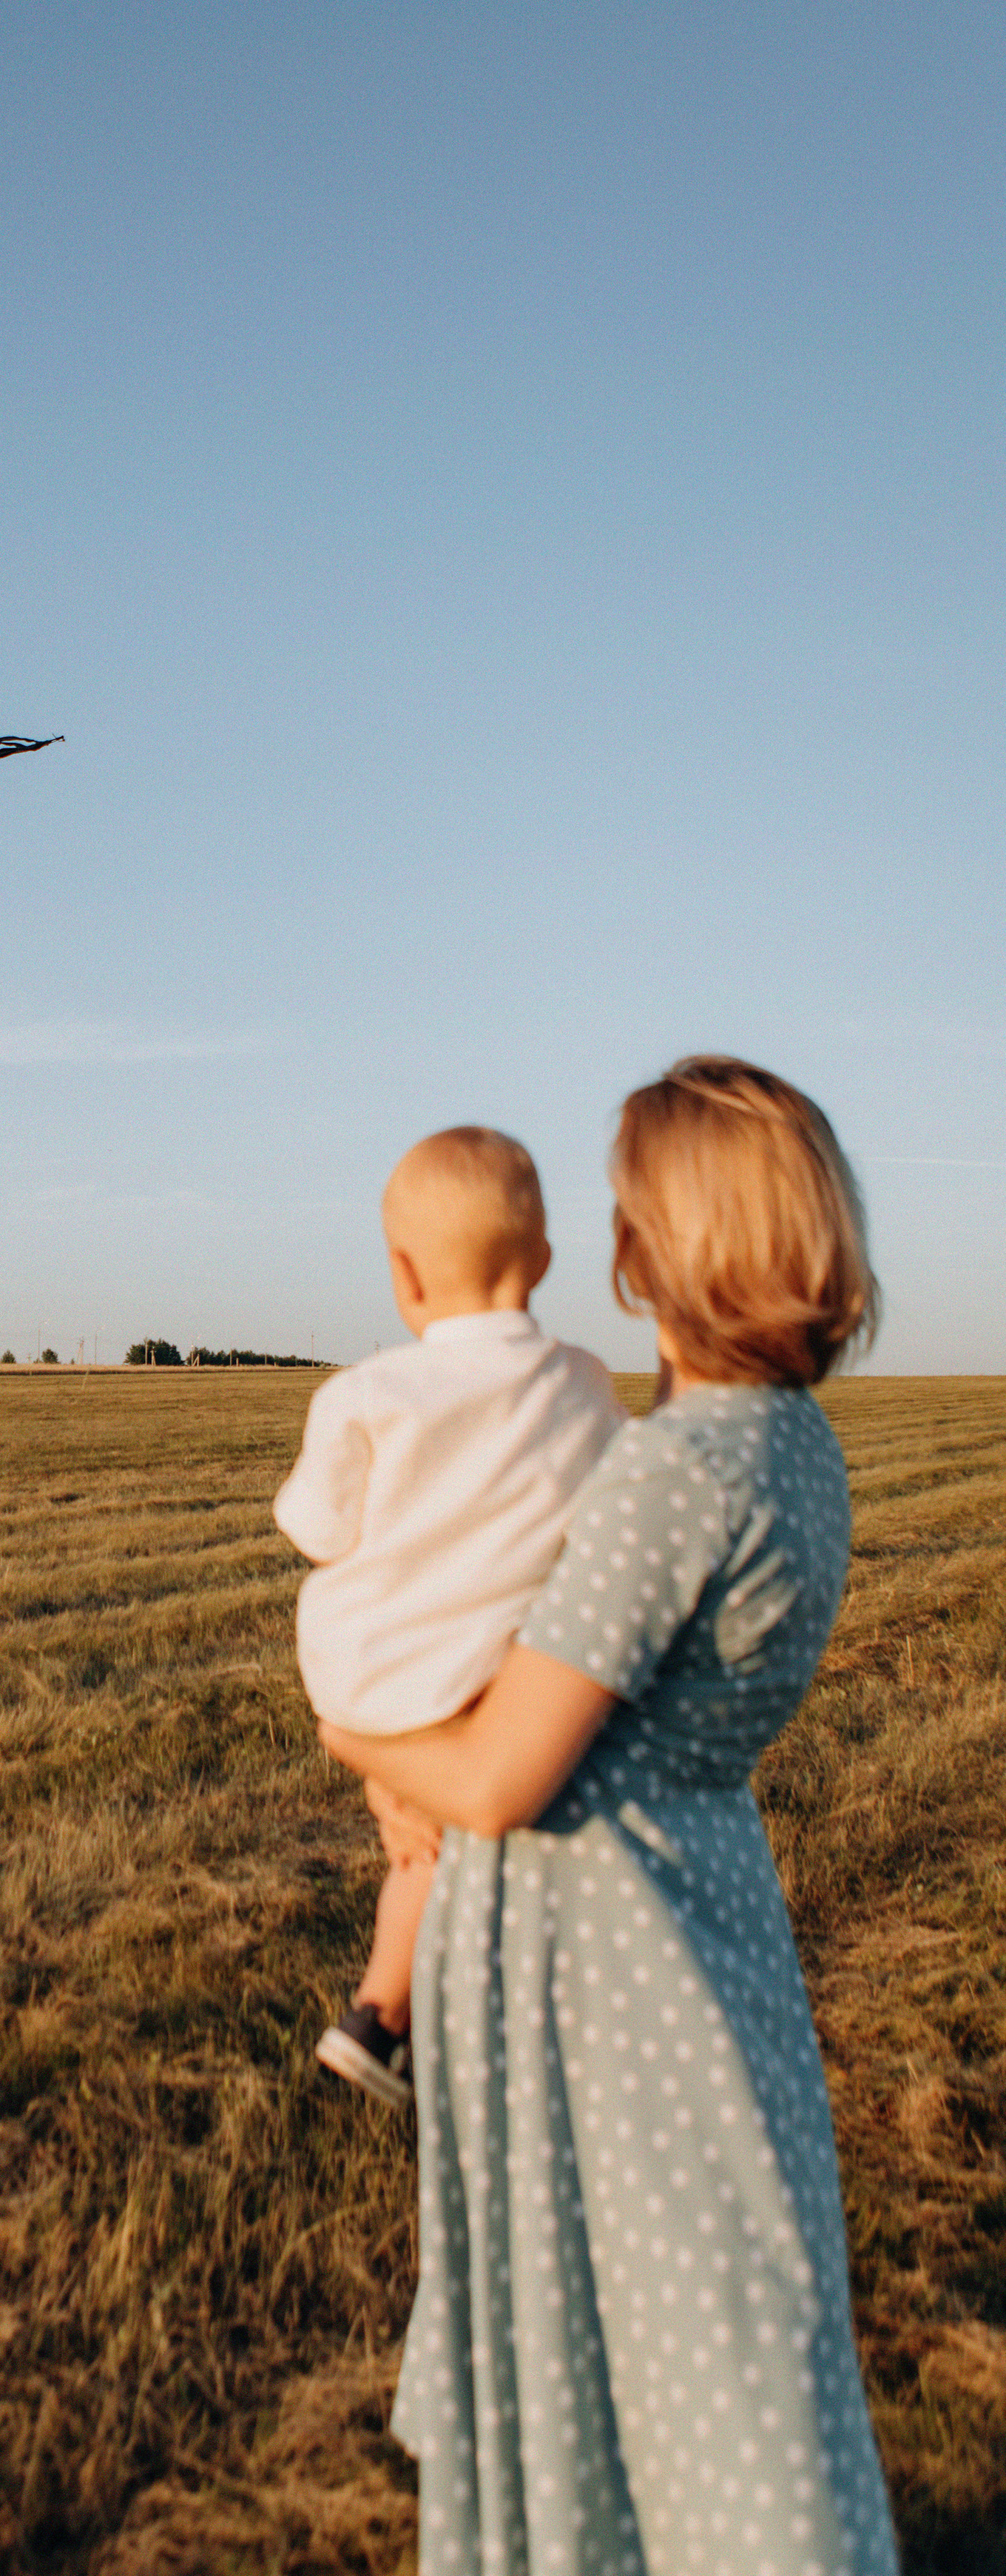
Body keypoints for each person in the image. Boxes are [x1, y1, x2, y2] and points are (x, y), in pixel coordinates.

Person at [319, 1059, 897, 2575]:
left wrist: (354, 1734)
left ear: (653, 1249)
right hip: (709, 1898)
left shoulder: (665, 1477)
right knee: (718, 2293)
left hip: (601, 1944)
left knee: (641, 2313)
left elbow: (505, 1772)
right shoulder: (794, 1448)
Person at [275, 1128, 625, 2103]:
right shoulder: (584, 1385)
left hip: (359, 1665)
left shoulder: (366, 1393)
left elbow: (312, 1528)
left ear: (404, 1277)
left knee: (423, 1829)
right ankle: (391, 2012)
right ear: (547, 1261)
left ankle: (383, 2013)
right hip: (476, 1668)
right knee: (456, 1823)